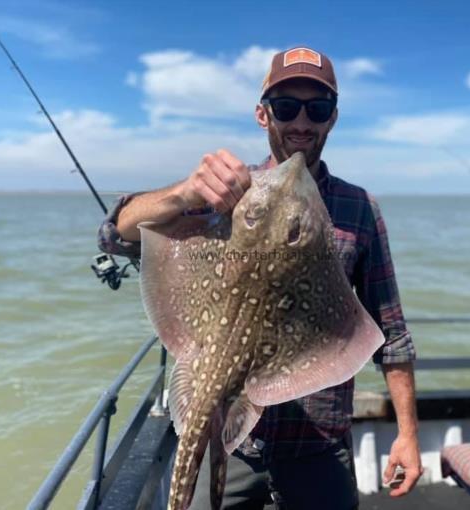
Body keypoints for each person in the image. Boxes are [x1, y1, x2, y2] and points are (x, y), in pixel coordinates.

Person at [98, 46, 422, 508]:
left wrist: (408, 433)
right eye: (287, 107)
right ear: (263, 114)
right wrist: (185, 192)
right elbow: (115, 233)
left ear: (333, 118)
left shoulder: (359, 209)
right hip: (227, 439)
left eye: (318, 108)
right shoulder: (223, 190)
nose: (302, 123)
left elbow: (391, 332)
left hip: (318, 444)